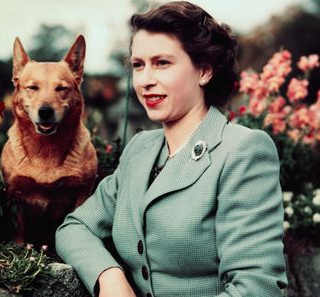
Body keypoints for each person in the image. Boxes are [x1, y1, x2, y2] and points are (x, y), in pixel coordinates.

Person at [56, 2, 288, 296]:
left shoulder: (243, 151)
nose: (145, 80)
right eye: (138, 65)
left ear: (204, 70)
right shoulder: (140, 149)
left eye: (162, 63)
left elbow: (257, 288)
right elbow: (75, 228)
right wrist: (109, 275)